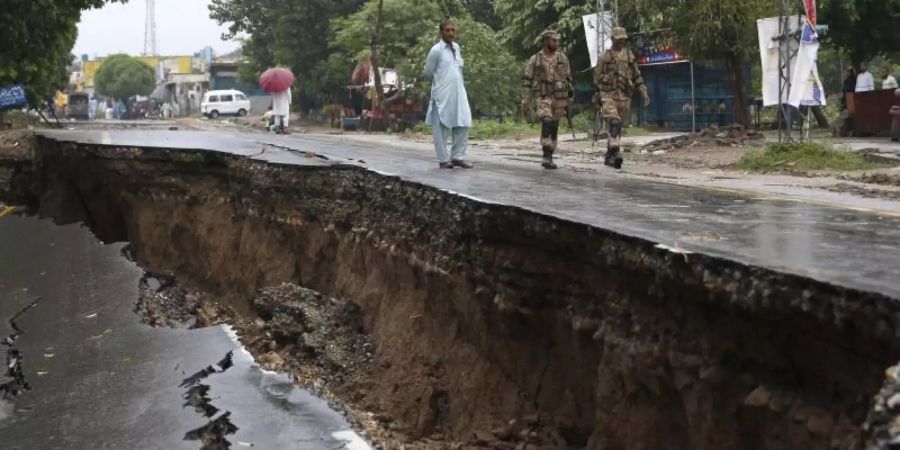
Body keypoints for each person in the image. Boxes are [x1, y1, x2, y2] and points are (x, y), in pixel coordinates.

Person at [593, 27, 650, 169]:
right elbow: (596, 78)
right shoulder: (605, 57)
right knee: (614, 123)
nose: (621, 41)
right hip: (608, 96)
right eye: (618, 39)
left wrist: (643, 92)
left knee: (616, 129)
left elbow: (637, 76)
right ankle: (615, 154)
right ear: (612, 39)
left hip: (625, 97)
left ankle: (609, 155)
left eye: (623, 39)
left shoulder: (629, 55)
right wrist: (607, 81)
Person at [424, 19, 473, 169]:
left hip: (458, 92)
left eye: (453, 30)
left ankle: (457, 156)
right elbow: (427, 72)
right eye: (447, 30)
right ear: (441, 32)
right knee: (442, 127)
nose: (451, 33)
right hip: (442, 94)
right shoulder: (436, 50)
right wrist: (440, 84)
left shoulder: (457, 48)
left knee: (463, 122)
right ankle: (443, 160)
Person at [522, 30, 572, 170]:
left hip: (559, 98)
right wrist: (525, 100)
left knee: (554, 125)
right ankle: (546, 153)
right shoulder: (535, 59)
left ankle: (550, 152)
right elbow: (527, 80)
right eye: (553, 40)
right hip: (542, 97)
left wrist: (569, 96)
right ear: (546, 41)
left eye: (557, 41)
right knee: (547, 120)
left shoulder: (562, 58)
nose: (556, 43)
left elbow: (568, 79)